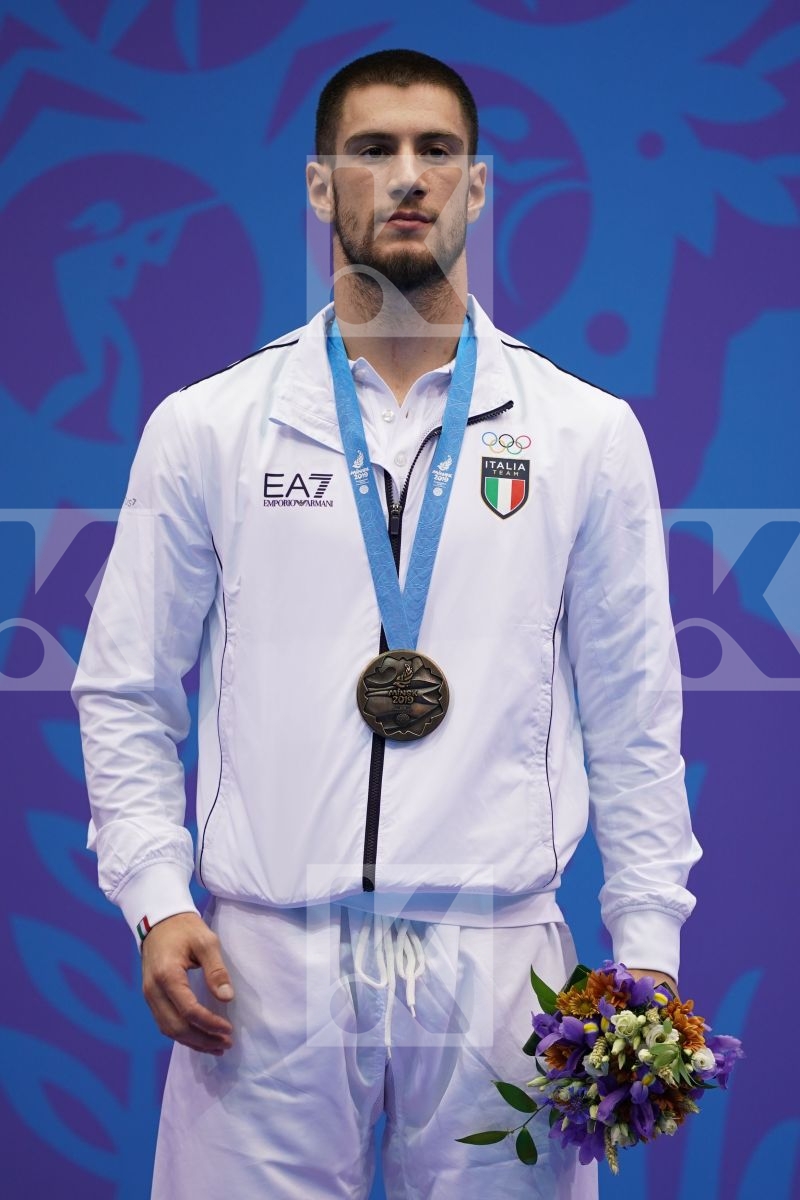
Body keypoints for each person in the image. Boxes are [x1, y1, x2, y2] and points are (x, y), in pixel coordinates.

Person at [72, 48, 701, 1200]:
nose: (405, 177)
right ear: (320, 188)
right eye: (372, 151)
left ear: (477, 186)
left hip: (502, 959)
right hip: (262, 964)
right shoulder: (209, 427)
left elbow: (632, 709)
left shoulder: (580, 433)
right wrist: (156, 896)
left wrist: (647, 949)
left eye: (435, 151)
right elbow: (124, 688)